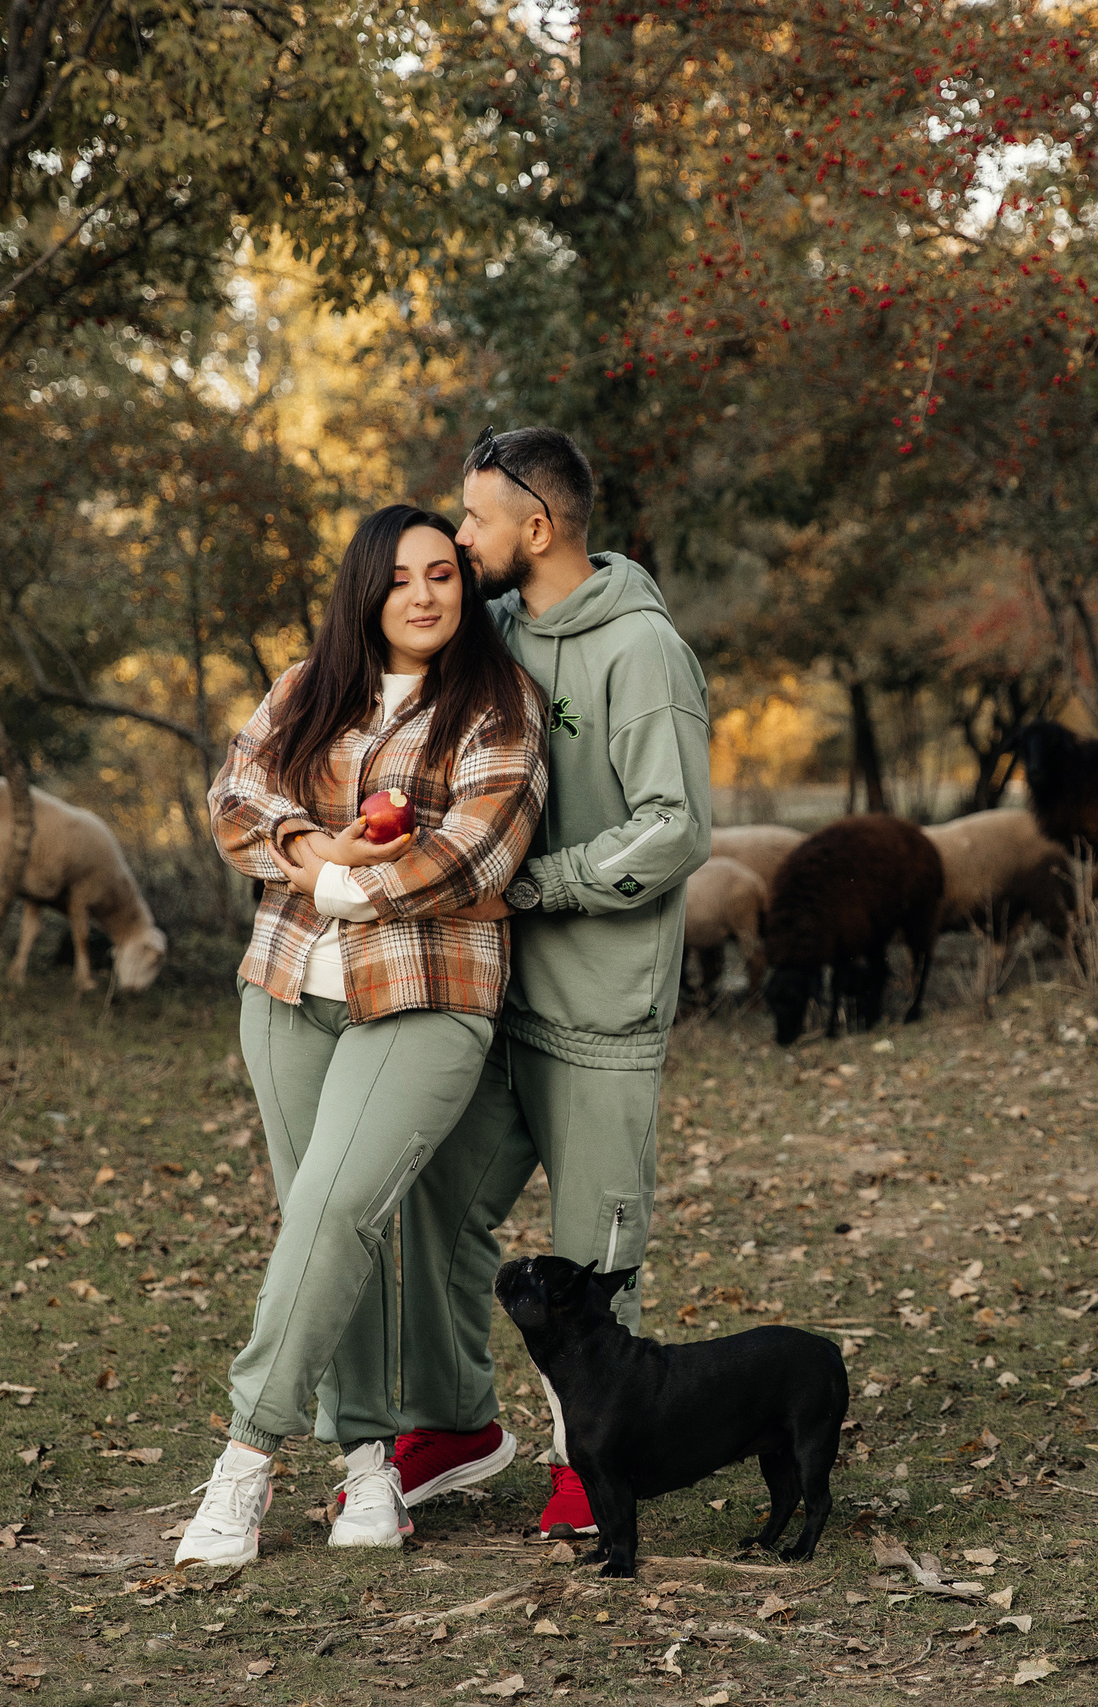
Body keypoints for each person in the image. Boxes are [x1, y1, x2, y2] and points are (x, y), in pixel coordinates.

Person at [179, 504, 548, 1568]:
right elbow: (235, 797)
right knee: (329, 1226)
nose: (426, 595)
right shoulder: (308, 686)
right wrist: (301, 839)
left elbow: (475, 859)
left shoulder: (498, 705)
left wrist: (325, 878)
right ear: (366, 591)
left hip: (431, 993)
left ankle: (243, 1466)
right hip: (287, 989)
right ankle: (370, 1467)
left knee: (337, 1204)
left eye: (444, 573)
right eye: (400, 579)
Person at [365, 427, 712, 1541]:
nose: (459, 540)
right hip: (492, 998)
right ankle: (456, 1421)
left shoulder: (643, 653)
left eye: (473, 521)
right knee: (437, 1208)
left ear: (539, 527)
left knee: (593, 1255)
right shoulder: (499, 628)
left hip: (602, 1011)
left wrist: (537, 882)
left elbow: (676, 830)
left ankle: (588, 1453)